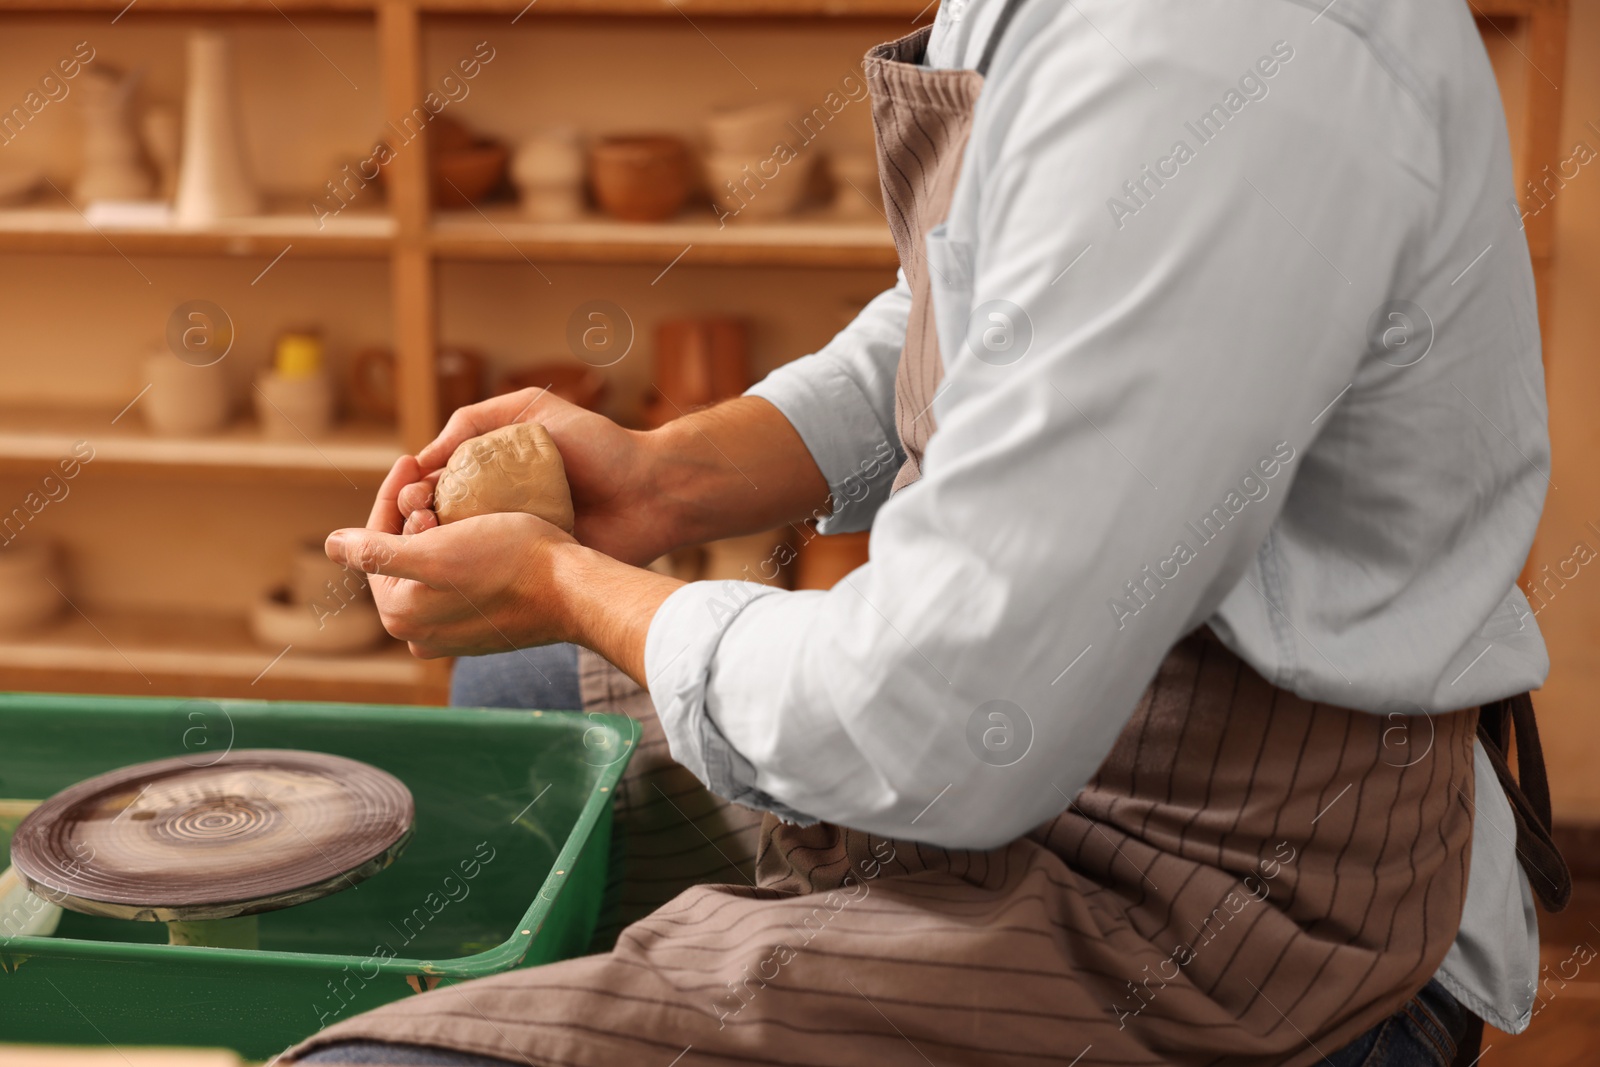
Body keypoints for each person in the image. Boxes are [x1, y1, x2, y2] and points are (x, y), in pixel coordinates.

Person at [286, 0, 1569, 1063]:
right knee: (519, 696)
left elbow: (942, 722)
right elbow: (969, 306)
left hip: (1230, 896)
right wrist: (669, 479)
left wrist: (571, 580)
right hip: (1036, 739)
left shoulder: (1210, 54)